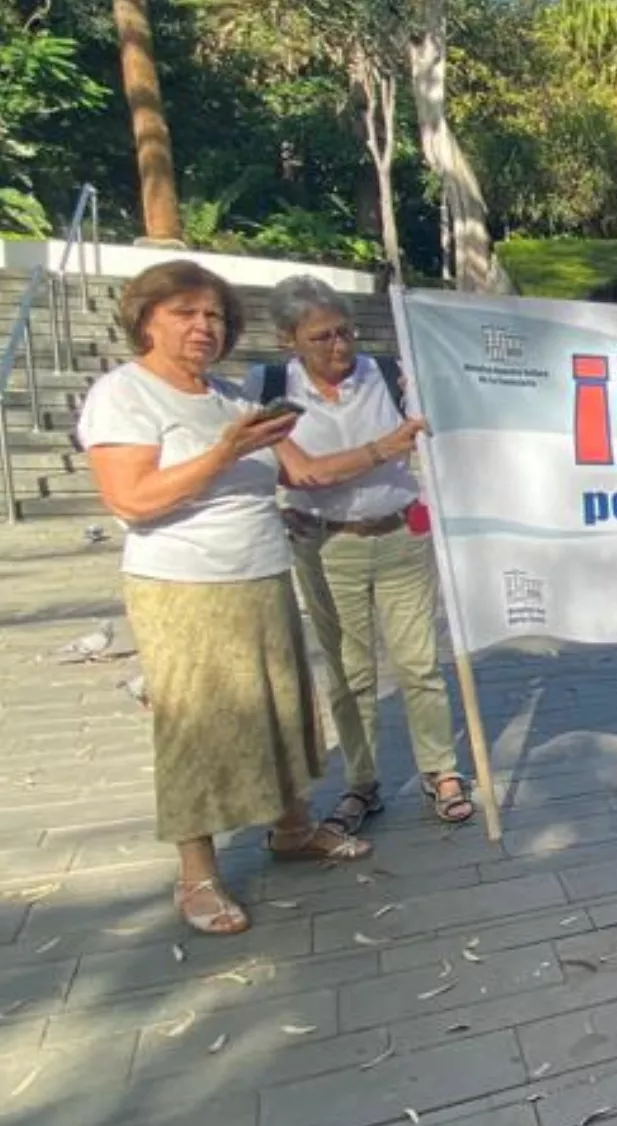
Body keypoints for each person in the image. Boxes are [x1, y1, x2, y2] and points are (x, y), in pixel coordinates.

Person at [77, 261, 424, 935]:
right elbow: (131, 499)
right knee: (198, 723)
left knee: (283, 705)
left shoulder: (233, 397)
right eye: (185, 313)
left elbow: (310, 472)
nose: (203, 327)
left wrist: (389, 445)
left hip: (262, 573)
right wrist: (222, 452)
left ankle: (291, 828)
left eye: (213, 316)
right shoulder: (124, 395)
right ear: (147, 320)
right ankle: (198, 873)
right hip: (184, 584)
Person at [262, 275, 472, 831]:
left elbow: (442, 418)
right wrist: (382, 448)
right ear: (289, 340)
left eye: (346, 332)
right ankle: (362, 782)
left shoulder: (383, 373)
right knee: (349, 671)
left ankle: (441, 770)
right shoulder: (268, 388)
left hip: (402, 532)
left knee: (419, 663)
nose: (340, 347)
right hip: (328, 544)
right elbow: (299, 471)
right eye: (322, 337)